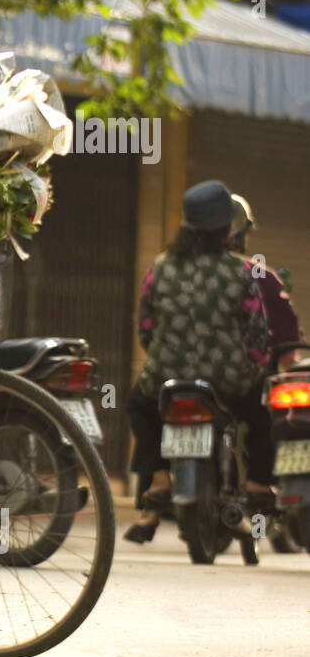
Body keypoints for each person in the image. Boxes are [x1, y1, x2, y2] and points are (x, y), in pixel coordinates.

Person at [124, 180, 273, 543]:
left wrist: (163, 357)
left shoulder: (160, 267)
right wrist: (258, 366)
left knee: (138, 404)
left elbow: (146, 327)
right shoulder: (240, 272)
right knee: (260, 413)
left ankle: (159, 477)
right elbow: (256, 335)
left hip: (167, 378)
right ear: (227, 227)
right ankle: (256, 482)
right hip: (228, 380)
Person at [229, 193, 301, 369]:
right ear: (238, 233)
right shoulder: (261, 278)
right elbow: (288, 348)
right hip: (244, 389)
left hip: (172, 384)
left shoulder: (167, 270)